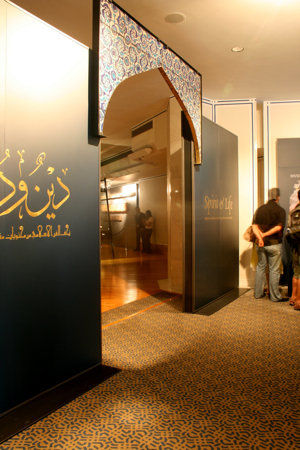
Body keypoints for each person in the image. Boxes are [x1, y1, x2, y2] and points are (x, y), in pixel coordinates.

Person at [252, 187, 286, 302]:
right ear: (278, 197)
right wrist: (265, 235)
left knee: (260, 267)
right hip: (274, 244)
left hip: (260, 244)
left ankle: (258, 293)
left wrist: (260, 237)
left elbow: (254, 226)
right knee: (274, 270)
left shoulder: (260, 209)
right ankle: (275, 296)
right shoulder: (280, 210)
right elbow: (278, 227)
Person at [286, 190, 300, 311]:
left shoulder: (293, 212)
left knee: (296, 272)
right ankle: (299, 301)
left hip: (295, 246)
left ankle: (293, 297)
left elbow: (289, 230)